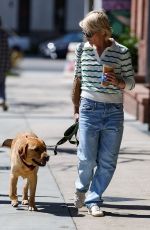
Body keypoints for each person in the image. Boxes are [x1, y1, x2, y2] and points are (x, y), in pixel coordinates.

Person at [72, 10, 135, 217]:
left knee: (108, 161)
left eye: (89, 32)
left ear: (102, 31)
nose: (86, 37)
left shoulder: (122, 52)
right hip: (89, 108)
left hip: (114, 112)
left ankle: (94, 199)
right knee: (87, 159)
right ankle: (82, 188)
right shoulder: (82, 49)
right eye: (85, 33)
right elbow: (77, 81)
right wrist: (75, 110)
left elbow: (131, 82)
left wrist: (118, 82)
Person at [0, 16, 10, 111]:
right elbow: (7, 51)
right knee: (2, 85)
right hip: (2, 65)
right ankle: (2, 99)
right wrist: (8, 65)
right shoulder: (4, 34)